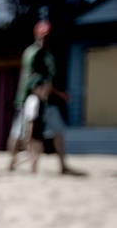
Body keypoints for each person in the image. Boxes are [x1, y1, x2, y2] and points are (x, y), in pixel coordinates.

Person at [7, 20, 84, 175]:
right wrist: (54, 93)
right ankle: (13, 163)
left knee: (56, 132)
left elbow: (48, 80)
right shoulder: (32, 53)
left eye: (48, 36)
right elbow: (33, 80)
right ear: (37, 36)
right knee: (22, 133)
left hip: (47, 101)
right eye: (43, 36)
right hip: (31, 100)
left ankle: (61, 165)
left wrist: (55, 93)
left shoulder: (49, 54)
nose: (45, 40)